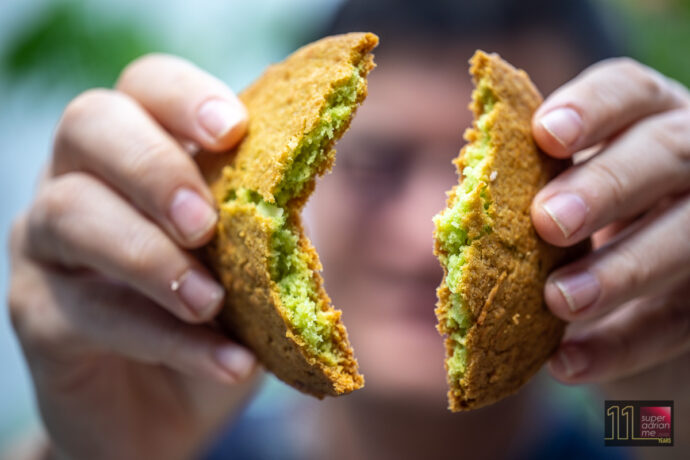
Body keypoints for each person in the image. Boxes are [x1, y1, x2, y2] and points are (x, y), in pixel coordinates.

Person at [6, 1, 690, 459]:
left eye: (507, 185)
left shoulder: (631, 429)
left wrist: (678, 422)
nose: (424, 236)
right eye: (373, 163)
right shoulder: (194, 438)